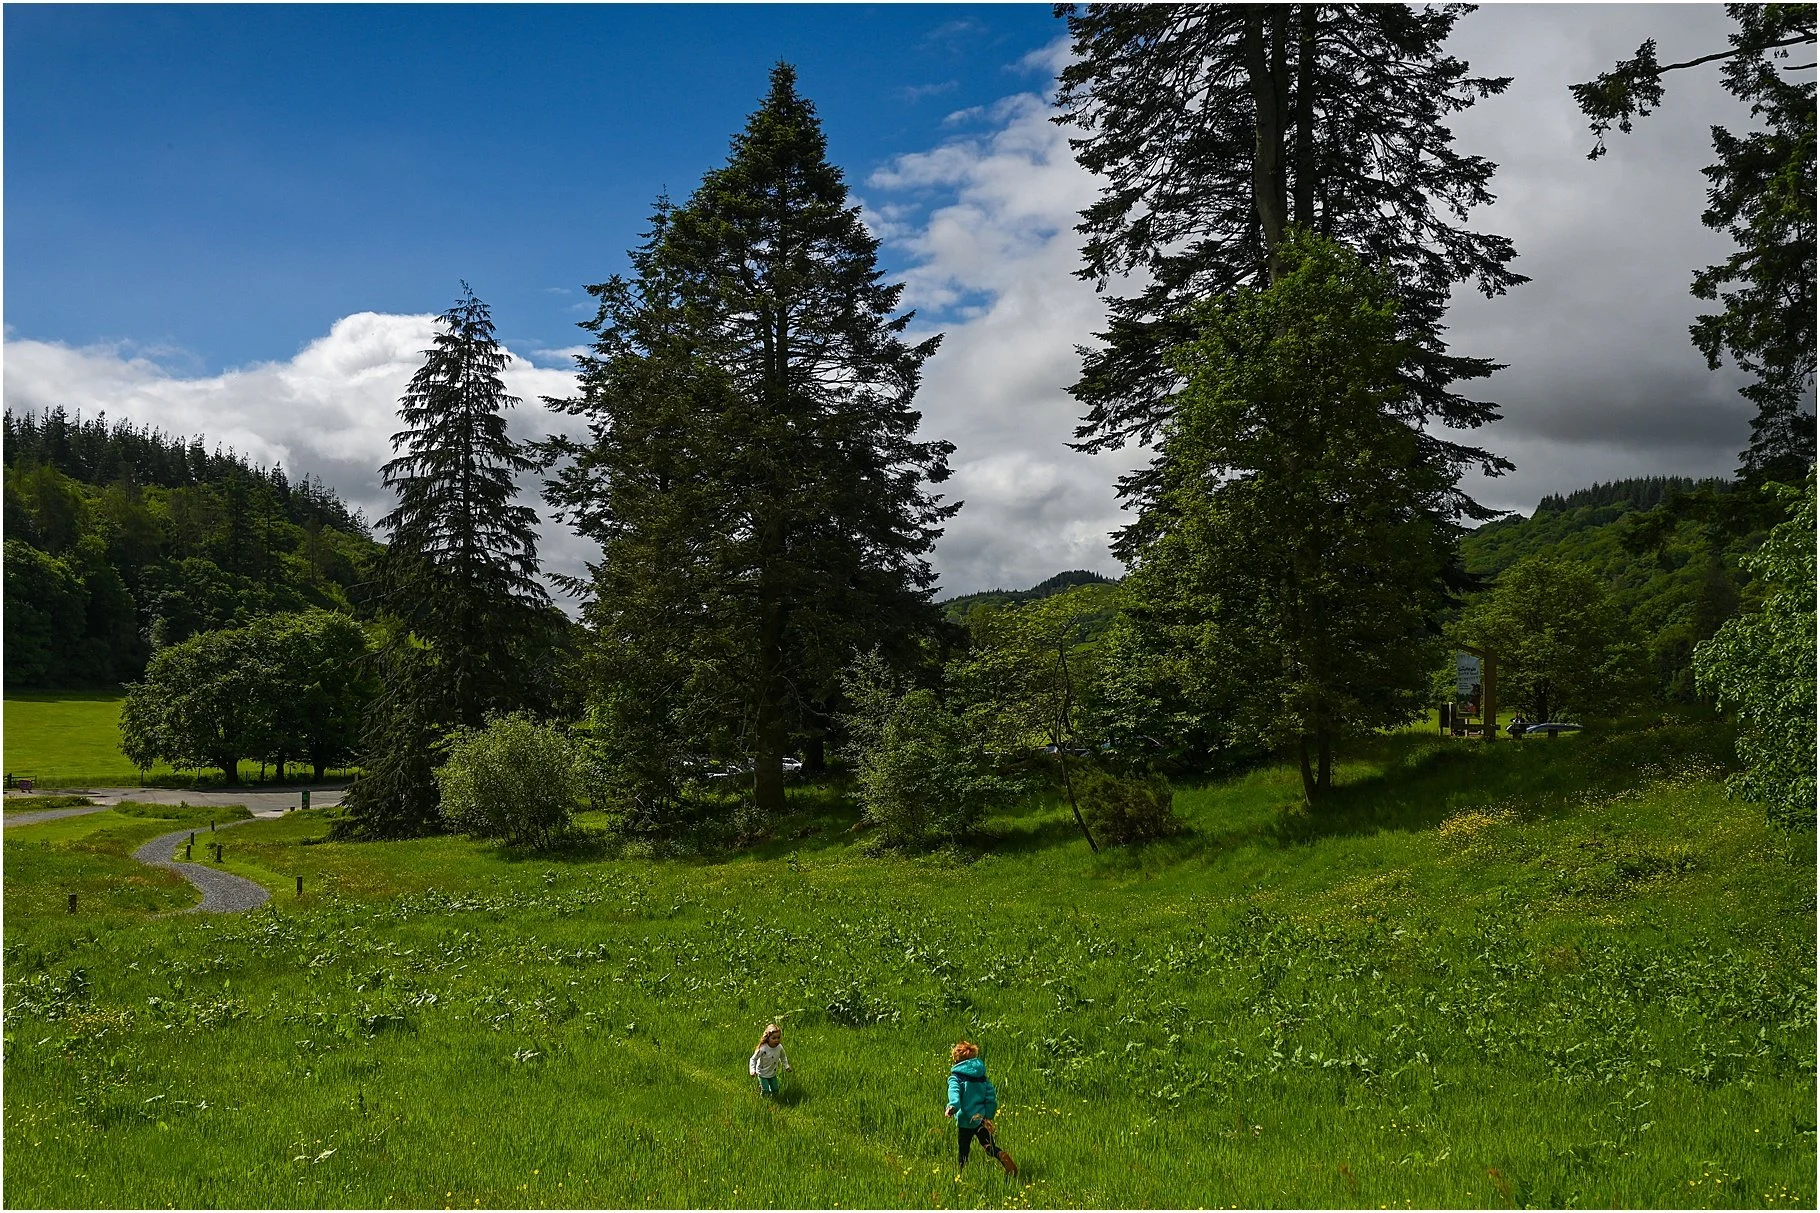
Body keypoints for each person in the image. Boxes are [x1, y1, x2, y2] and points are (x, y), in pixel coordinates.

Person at [945, 1041, 1016, 1176]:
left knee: (964, 1150)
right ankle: (1001, 1155)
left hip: (965, 1121)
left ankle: (960, 1174)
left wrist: (952, 1106)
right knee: (989, 1147)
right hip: (981, 1119)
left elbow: (954, 1093)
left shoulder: (956, 1078)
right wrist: (988, 1116)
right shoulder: (982, 1078)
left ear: (957, 1060)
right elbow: (991, 1098)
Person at [749, 1023, 791, 1097]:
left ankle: (775, 1098)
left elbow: (783, 1057)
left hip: (772, 1073)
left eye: (778, 1038)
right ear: (768, 1038)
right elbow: (753, 1059)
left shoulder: (779, 1047)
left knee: (775, 1089)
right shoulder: (762, 1048)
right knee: (766, 1091)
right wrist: (752, 1070)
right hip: (762, 1073)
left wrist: (786, 1066)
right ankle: (764, 1099)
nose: (776, 1040)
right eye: (773, 1038)